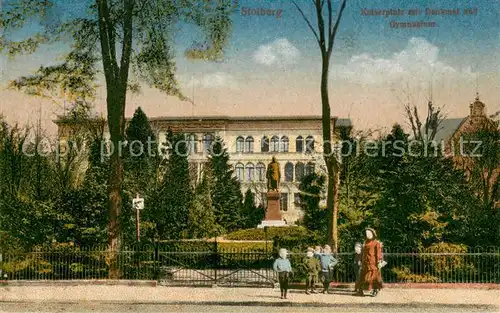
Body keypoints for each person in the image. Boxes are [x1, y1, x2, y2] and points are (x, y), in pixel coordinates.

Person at [355, 228, 384, 297]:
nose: (367, 234)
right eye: (366, 233)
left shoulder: (376, 243)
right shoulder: (365, 243)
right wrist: (360, 260)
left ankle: (375, 290)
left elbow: (378, 253)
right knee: (362, 277)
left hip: (373, 264)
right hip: (365, 263)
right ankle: (360, 291)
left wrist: (379, 261)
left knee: (373, 278)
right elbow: (363, 253)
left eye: (369, 233)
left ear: (373, 234)